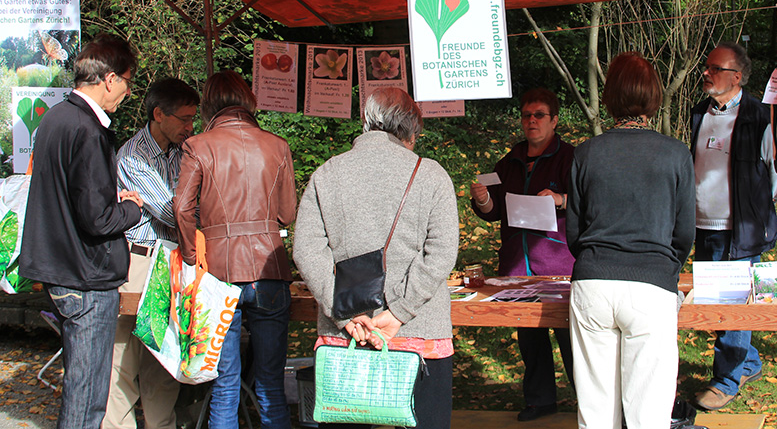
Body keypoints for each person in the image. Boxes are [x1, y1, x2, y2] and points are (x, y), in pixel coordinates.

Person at [293, 87, 459, 429]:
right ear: (411, 133)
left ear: (367, 122)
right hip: (418, 334)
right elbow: (442, 252)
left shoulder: (326, 174)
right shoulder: (431, 175)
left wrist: (346, 314)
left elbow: (306, 250)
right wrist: (399, 311)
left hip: (349, 336)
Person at [19, 33, 144, 429]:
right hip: (85, 275)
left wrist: (110, 197)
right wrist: (130, 207)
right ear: (109, 79)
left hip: (61, 267)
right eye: (127, 81)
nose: (126, 91)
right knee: (88, 393)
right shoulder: (88, 128)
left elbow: (71, 193)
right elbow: (98, 219)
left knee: (81, 383)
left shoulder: (56, 117)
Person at [566, 52, 695, 428]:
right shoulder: (675, 154)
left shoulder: (586, 153)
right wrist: (667, 267)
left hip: (592, 282)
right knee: (647, 412)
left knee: (595, 408)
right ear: (654, 97)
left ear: (609, 98)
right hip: (651, 284)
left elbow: (574, 229)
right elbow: (684, 232)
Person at [174, 70, 297, 429]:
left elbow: (182, 207)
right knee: (271, 385)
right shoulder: (278, 146)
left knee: (225, 386)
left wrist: (193, 257)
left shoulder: (197, 145)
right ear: (249, 102)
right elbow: (287, 214)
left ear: (209, 105)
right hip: (269, 272)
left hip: (217, 276)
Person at [469, 88, 575, 422]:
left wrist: (560, 200)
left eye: (539, 115)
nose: (532, 121)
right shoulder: (510, 160)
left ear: (554, 120)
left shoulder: (571, 158)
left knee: (571, 338)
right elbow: (492, 210)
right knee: (529, 337)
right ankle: (540, 399)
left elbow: (589, 202)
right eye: (527, 115)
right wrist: (483, 198)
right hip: (517, 264)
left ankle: (590, 401)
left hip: (558, 263)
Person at [691, 42, 777, 410]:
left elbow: (776, 177)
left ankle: (726, 381)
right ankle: (747, 361)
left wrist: (754, 208)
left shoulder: (760, 117)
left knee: (732, 305)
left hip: (740, 228)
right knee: (718, 304)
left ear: (737, 76)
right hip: (703, 225)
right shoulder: (700, 113)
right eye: (707, 66)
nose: (706, 72)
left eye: (715, 68)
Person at [104, 79, 200, 429]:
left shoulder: (184, 150)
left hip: (171, 261)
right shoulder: (134, 155)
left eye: (194, 119)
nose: (190, 127)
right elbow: (172, 211)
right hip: (138, 260)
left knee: (163, 359)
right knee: (122, 362)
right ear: (159, 114)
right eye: (184, 119)